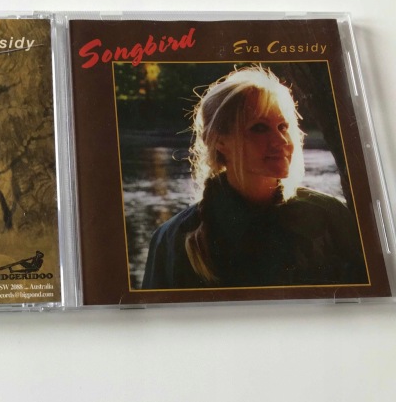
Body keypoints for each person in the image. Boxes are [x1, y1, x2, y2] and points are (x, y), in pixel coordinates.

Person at [141, 66, 367, 289]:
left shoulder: (330, 216)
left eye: (282, 126)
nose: (281, 141)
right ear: (220, 142)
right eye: (259, 128)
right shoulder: (172, 239)